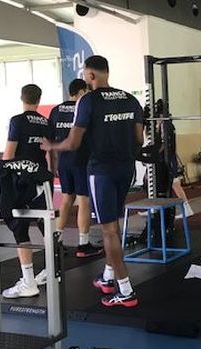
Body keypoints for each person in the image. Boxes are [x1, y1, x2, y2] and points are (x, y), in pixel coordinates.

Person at [42, 55, 143, 308]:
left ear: (90, 75)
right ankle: (108, 277)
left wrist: (52, 145)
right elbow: (139, 140)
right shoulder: (130, 99)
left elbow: (74, 143)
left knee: (108, 230)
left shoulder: (87, 101)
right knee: (114, 226)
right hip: (126, 169)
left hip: (102, 171)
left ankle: (126, 291)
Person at [1, 84, 53, 298]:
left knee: (19, 229)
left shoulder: (17, 121)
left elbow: (8, 156)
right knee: (46, 228)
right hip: (41, 182)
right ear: (39, 99)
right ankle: (51, 270)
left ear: (21, 98)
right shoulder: (46, 122)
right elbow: (51, 154)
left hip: (22, 183)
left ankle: (29, 282)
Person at [46, 79, 103, 264]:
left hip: (64, 162)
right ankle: (83, 244)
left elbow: (51, 141)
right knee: (84, 201)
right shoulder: (85, 107)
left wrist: (52, 165)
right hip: (81, 161)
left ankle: (57, 241)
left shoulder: (56, 110)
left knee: (66, 199)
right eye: (85, 91)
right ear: (80, 91)